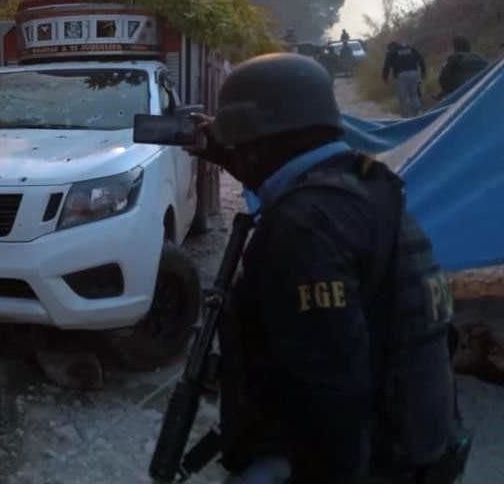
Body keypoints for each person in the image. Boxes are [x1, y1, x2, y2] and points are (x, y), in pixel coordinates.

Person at [190, 53, 464, 483]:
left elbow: (332, 398)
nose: (238, 153)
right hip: (420, 448)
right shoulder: (367, 182)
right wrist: (232, 157)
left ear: (263, 138)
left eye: (241, 142)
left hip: (366, 464)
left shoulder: (303, 227)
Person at [382, 41, 427, 117]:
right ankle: (419, 114)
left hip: (401, 75)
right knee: (414, 95)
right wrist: (423, 72)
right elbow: (421, 59)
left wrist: (385, 78)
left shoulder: (392, 52)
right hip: (414, 73)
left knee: (403, 98)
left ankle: (406, 118)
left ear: (390, 47)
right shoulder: (411, 49)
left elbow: (386, 66)